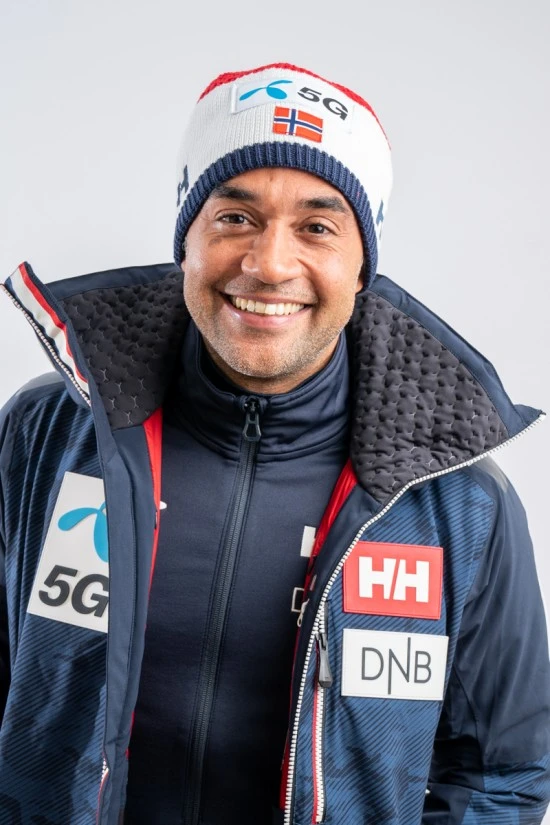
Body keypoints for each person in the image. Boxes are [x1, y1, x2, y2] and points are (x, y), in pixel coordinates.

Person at [0, 62, 548, 825]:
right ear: (187, 238)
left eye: (317, 227)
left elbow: (503, 774)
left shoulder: (459, 504)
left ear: (362, 263)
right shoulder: (50, 433)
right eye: (235, 217)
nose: (269, 264)